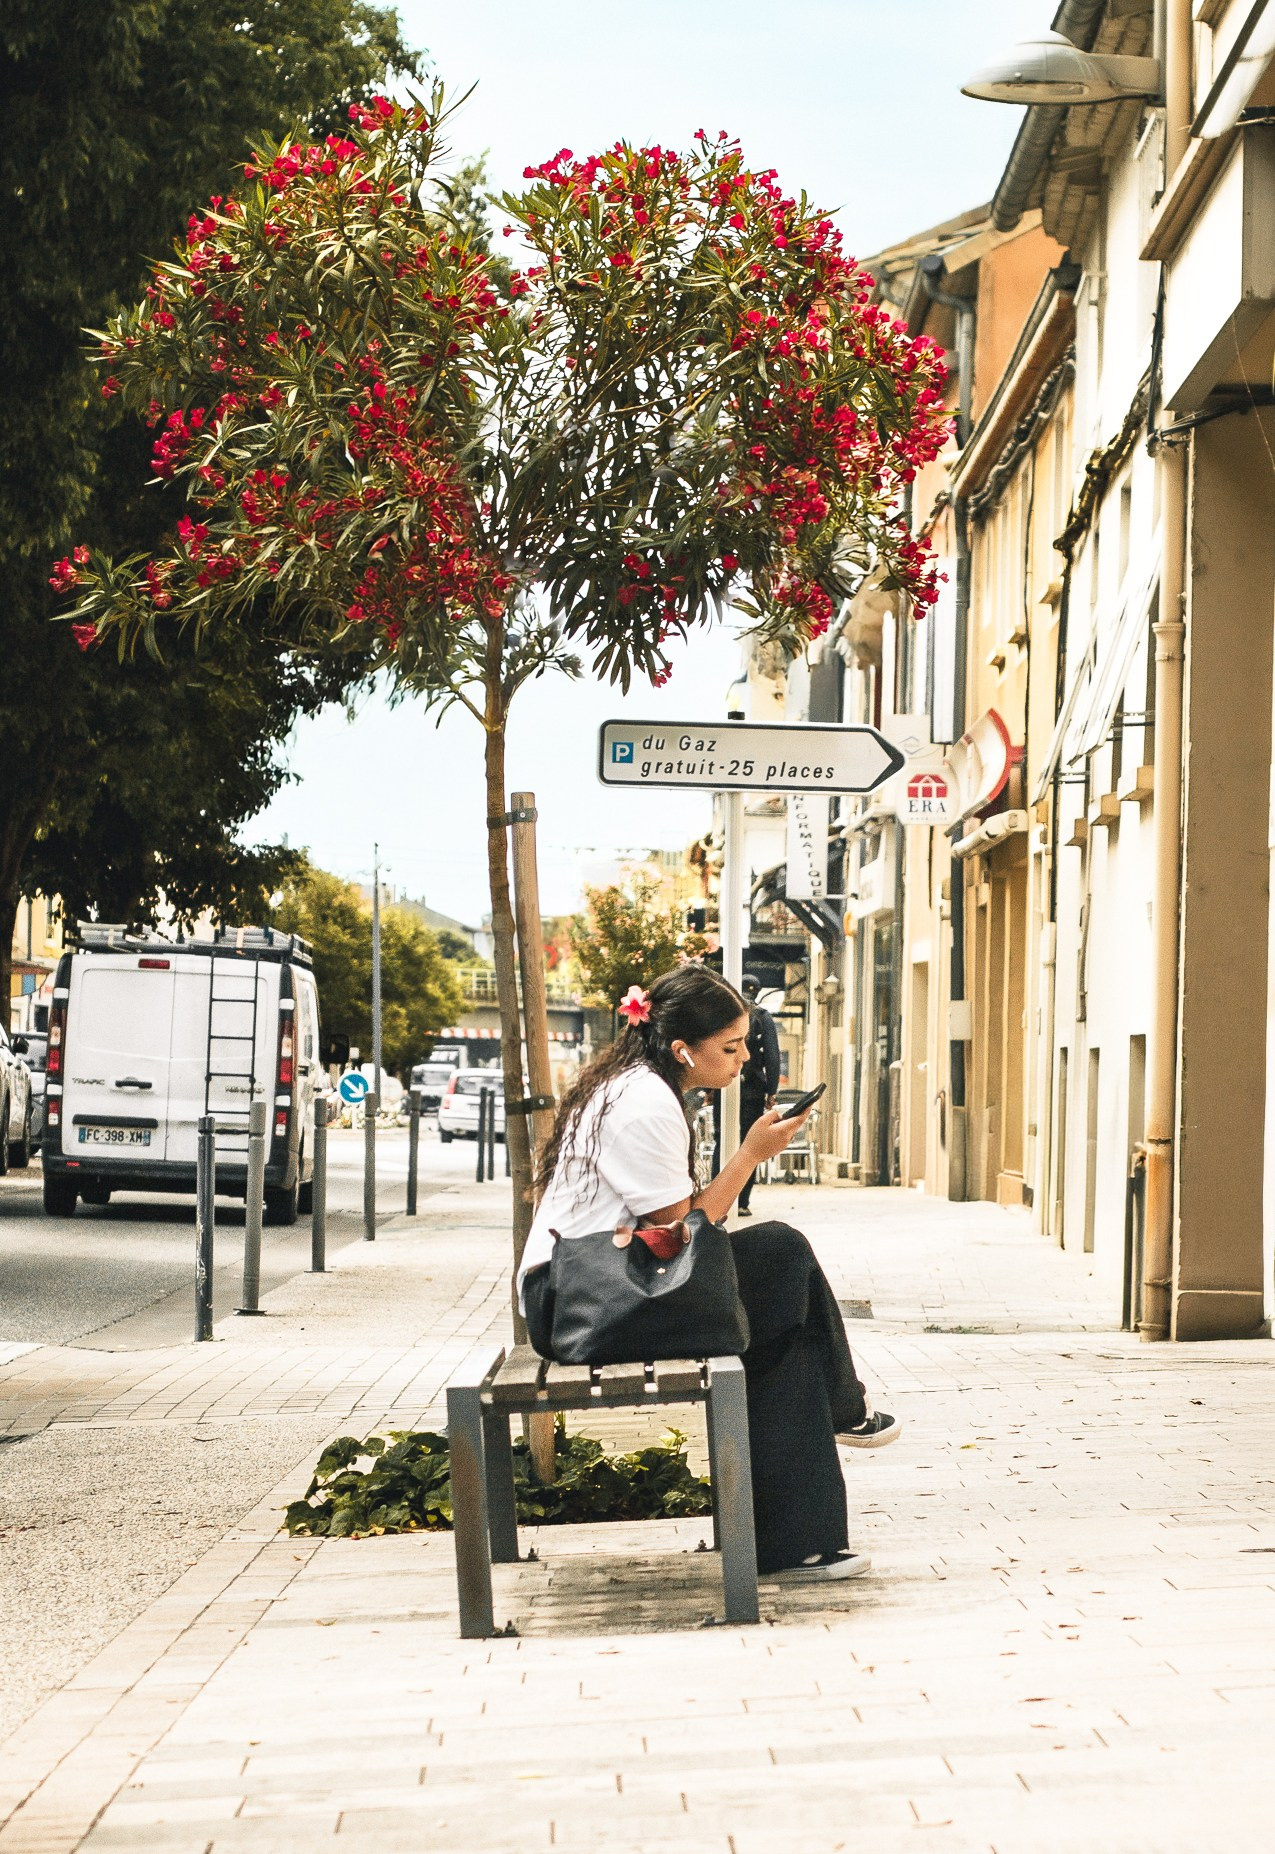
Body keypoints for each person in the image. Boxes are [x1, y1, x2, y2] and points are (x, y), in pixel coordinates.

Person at [517, 965, 901, 1583]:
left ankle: (801, 1540)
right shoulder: (643, 1103)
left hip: (598, 1285)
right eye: (730, 1047)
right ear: (682, 1050)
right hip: (581, 1300)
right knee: (780, 1252)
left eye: (745, 1042)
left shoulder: (641, 1086)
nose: (745, 1057)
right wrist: (750, 1156)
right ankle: (837, 1429)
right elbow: (680, 1241)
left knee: (779, 1326)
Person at [737, 974, 781, 1216]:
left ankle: (721, 1199)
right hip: (752, 1090)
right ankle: (742, 1202)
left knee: (723, 1141)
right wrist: (771, 1091)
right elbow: (773, 1057)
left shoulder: (729, 1014)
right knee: (748, 1142)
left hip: (727, 1086)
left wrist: (711, 1090)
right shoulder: (763, 1017)